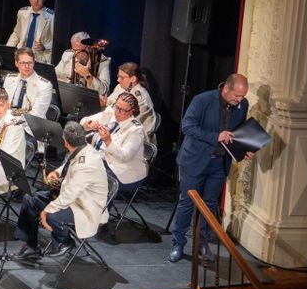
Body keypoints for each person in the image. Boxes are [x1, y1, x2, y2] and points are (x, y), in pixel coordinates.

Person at [170, 74, 252, 263]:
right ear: (226, 88)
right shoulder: (203, 100)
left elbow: (237, 132)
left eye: (242, 96)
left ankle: (202, 244)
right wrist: (215, 136)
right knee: (187, 203)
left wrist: (244, 148)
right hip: (195, 160)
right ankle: (178, 243)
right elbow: (187, 126)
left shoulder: (243, 104)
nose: (240, 100)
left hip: (219, 164)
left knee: (208, 206)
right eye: (237, 96)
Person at [13, 122, 108, 260]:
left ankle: (65, 242)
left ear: (66, 143)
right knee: (30, 199)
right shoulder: (82, 147)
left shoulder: (87, 164)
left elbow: (69, 195)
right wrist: (58, 172)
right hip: (74, 198)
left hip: (85, 207)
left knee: (53, 216)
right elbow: (69, 164)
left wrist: (46, 210)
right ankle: (31, 245)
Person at [90, 93, 148, 197]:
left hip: (124, 172)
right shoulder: (112, 115)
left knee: (93, 180)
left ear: (132, 112)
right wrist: (90, 124)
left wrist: (108, 141)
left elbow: (124, 157)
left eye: (122, 110)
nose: (117, 112)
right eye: (116, 107)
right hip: (104, 161)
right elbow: (84, 122)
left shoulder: (136, 130)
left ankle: (99, 211)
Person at [85, 62, 157, 139]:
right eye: (118, 76)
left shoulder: (141, 99)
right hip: (116, 127)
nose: (118, 80)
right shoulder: (120, 87)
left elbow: (126, 122)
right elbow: (109, 103)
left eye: (122, 77)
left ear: (133, 79)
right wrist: (103, 101)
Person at [6, 0, 54, 64]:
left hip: (40, 57)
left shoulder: (51, 16)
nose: (36, 1)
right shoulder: (22, 12)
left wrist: (45, 46)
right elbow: (16, 34)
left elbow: (56, 40)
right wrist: (6, 50)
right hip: (21, 53)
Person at [4, 47, 53, 119]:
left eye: (30, 62)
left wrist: (12, 123)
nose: (27, 66)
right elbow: (4, 106)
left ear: (34, 63)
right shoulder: (9, 79)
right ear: (16, 63)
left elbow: (35, 116)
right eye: (23, 63)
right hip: (8, 121)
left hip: (29, 127)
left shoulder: (44, 86)